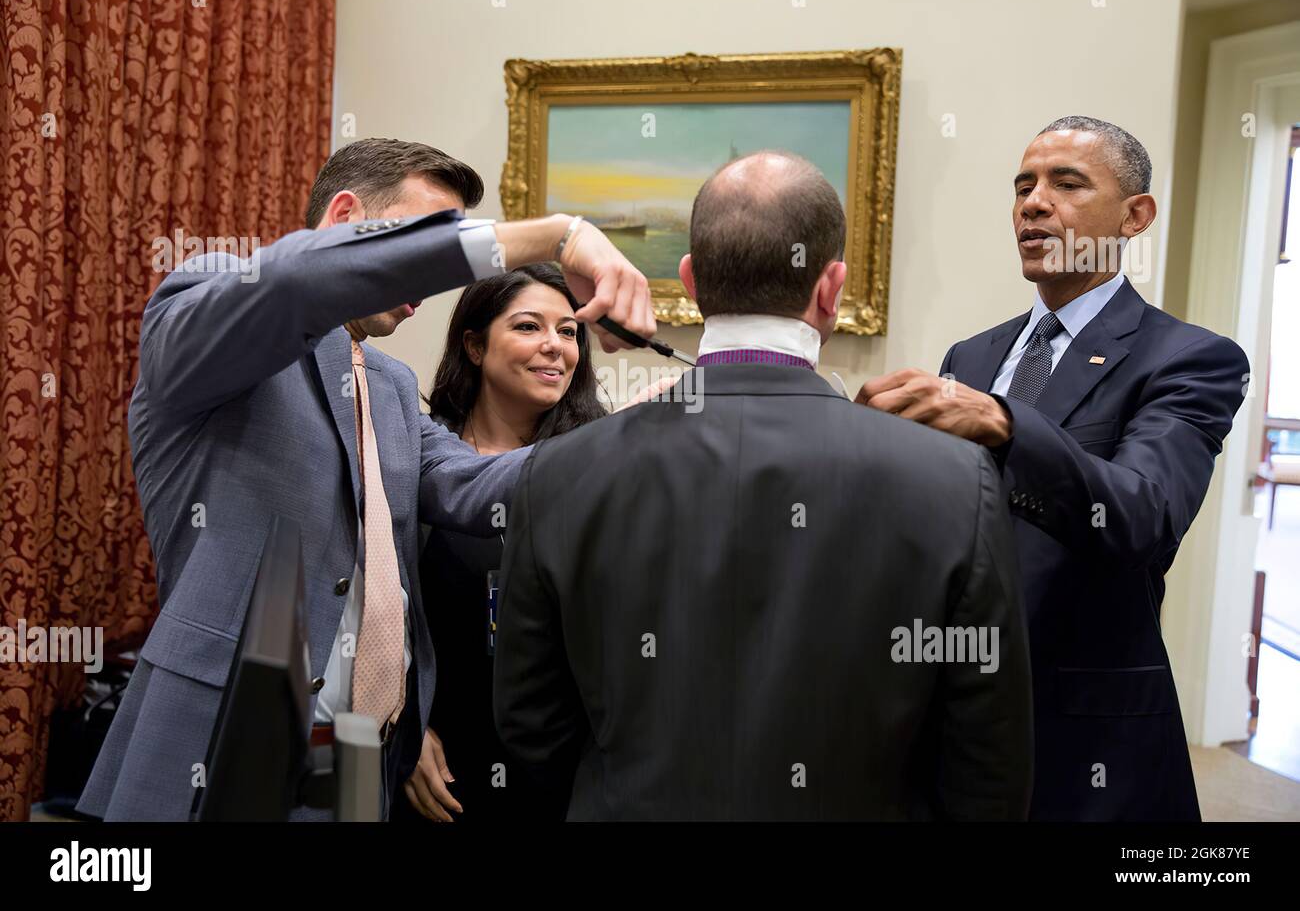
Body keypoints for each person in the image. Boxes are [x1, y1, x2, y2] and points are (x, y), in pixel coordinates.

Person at [77, 138, 655, 821]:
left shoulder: (389, 384)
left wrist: (640, 429)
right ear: (347, 217)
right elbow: (294, 279)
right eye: (423, 246)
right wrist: (558, 236)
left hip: (358, 767)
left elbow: (474, 487)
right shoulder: (212, 302)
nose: (429, 286)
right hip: (222, 748)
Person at [493, 151, 1033, 820]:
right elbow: (988, 753)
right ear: (831, 288)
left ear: (690, 282)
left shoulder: (560, 471)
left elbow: (529, 723)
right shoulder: (953, 479)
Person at [856, 116, 1250, 820]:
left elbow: (1143, 515)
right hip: (952, 714)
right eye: (1022, 186)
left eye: (1066, 183)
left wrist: (1007, 427)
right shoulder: (970, 357)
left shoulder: (1191, 358)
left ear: (1135, 216)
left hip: (1085, 735)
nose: (1033, 203)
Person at [413, 263, 605, 822]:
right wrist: (402, 725)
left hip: (562, 770)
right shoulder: (418, 458)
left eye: (568, 332)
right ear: (475, 346)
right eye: (528, 327)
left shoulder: (601, 465)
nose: (554, 347)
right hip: (436, 772)